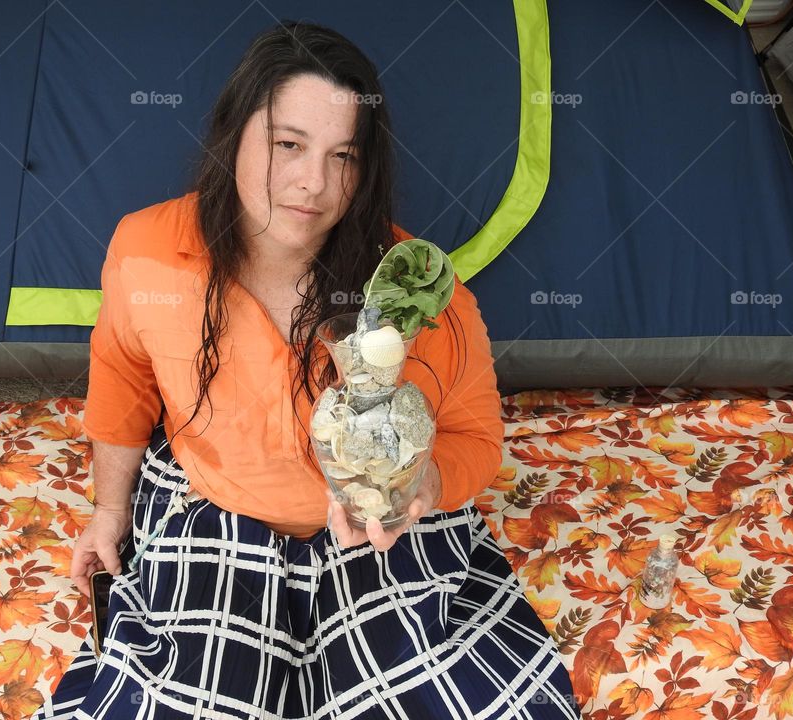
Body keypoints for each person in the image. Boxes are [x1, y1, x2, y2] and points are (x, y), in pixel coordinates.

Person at [31, 21, 580, 720]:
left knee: (421, 702)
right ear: (235, 134)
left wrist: (419, 486)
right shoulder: (145, 250)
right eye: (288, 144)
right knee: (189, 706)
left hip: (377, 524)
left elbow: (475, 434)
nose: (314, 184)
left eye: (344, 156)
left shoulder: (413, 289)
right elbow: (124, 380)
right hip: (217, 508)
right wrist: (110, 513)